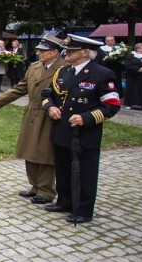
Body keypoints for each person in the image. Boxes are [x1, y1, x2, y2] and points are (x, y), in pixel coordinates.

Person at [42, 35, 120, 224]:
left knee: (85, 171)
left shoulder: (102, 74)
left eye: (71, 50)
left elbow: (112, 105)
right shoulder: (63, 71)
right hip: (62, 128)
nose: (66, 53)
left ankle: (83, 210)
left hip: (85, 132)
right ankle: (64, 201)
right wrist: (49, 107)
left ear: (85, 52)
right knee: (63, 168)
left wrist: (86, 118)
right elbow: (47, 94)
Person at [0, 35, 65, 205]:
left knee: (45, 153)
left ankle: (46, 190)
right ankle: (35, 186)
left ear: (54, 52)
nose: (38, 53)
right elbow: (21, 87)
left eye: (42, 51)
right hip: (31, 113)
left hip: (50, 116)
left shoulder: (64, 68)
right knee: (29, 150)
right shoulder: (35, 67)